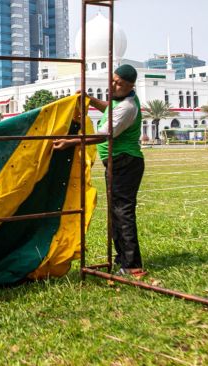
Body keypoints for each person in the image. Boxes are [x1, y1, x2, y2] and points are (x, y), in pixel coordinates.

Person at [53, 64, 146, 278]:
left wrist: (72, 142)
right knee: (117, 212)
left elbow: (104, 135)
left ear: (131, 86)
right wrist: (91, 100)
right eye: (112, 81)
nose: (113, 86)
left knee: (122, 212)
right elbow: (109, 109)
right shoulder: (120, 101)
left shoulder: (128, 107)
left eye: (119, 84)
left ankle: (132, 265)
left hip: (125, 162)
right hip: (117, 162)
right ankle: (123, 260)